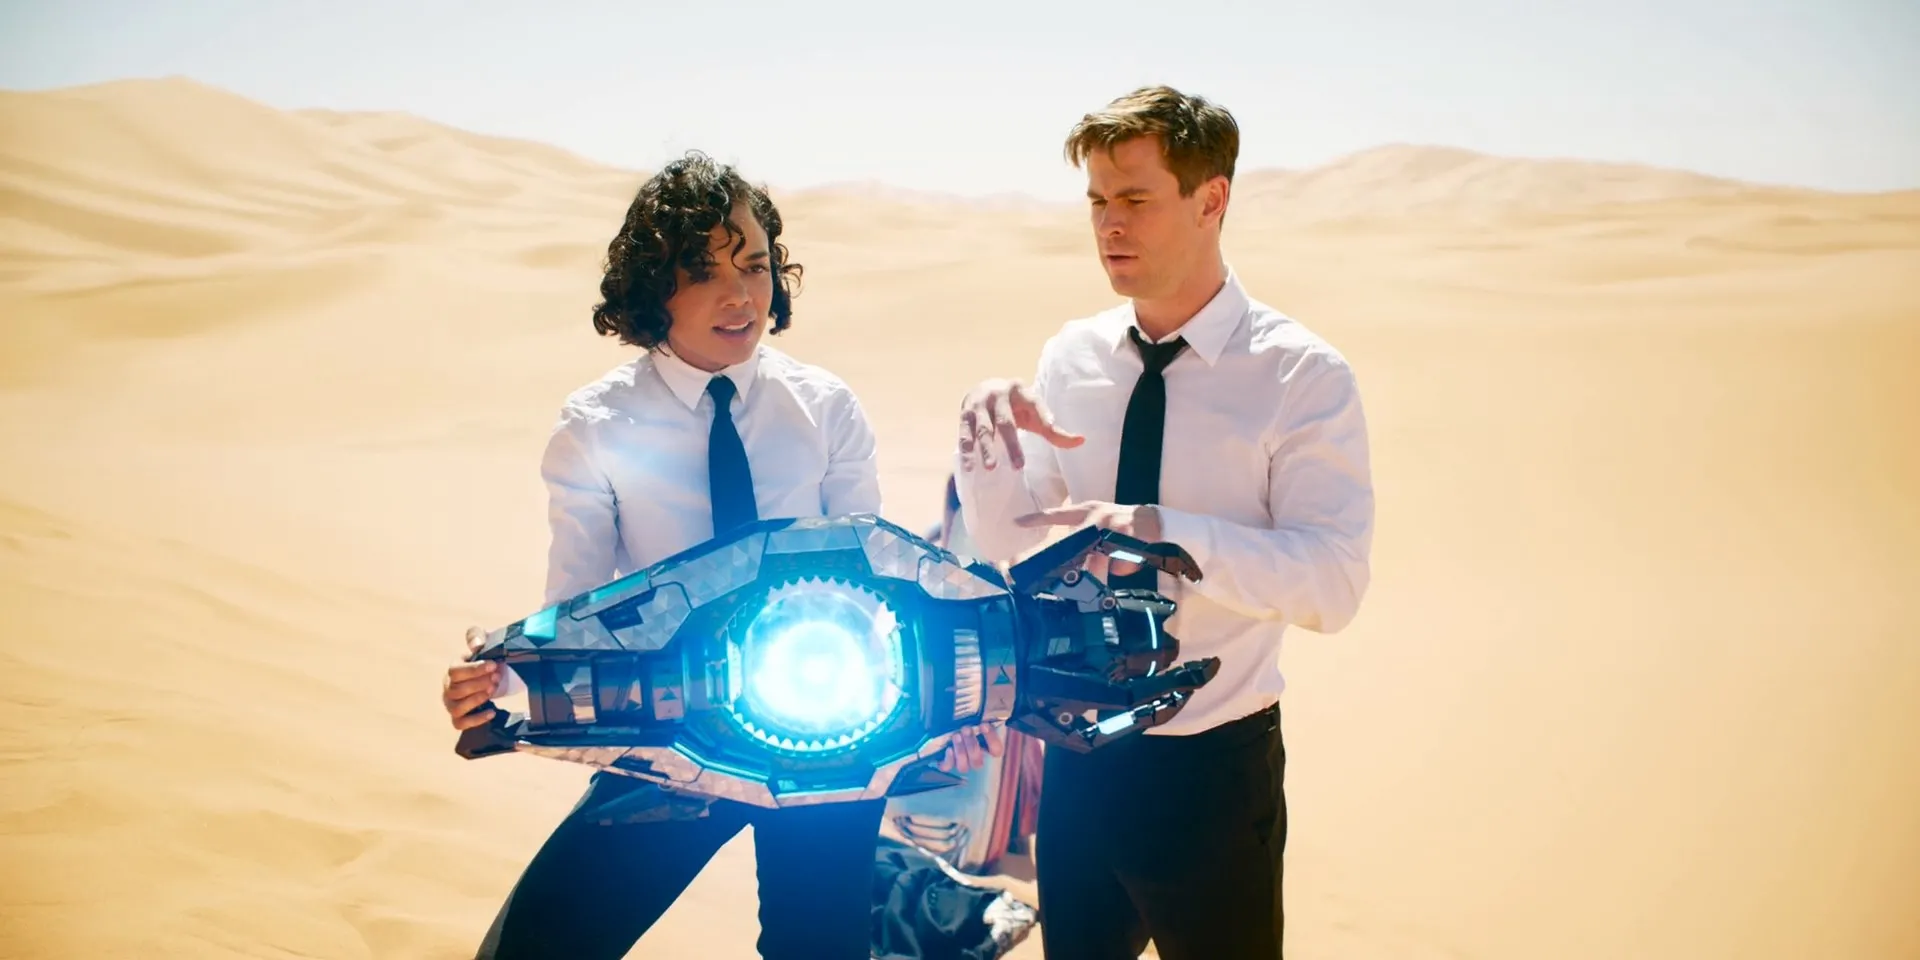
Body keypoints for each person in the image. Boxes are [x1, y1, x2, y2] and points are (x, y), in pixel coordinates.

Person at [438, 151, 999, 960]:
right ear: (653, 288)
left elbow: (877, 579)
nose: (740, 296)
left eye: (756, 266)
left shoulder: (825, 408)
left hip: (827, 735)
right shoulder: (596, 426)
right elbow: (576, 608)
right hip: (670, 740)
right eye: (704, 272)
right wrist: (501, 681)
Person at [952, 86, 1375, 959]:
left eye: (1137, 199)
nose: (1111, 225)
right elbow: (1016, 547)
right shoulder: (1072, 357)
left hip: (1212, 776)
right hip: (1077, 761)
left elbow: (1333, 585)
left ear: (1211, 199)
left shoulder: (1301, 377)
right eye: (1098, 202)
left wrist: (1161, 533)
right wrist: (982, 449)